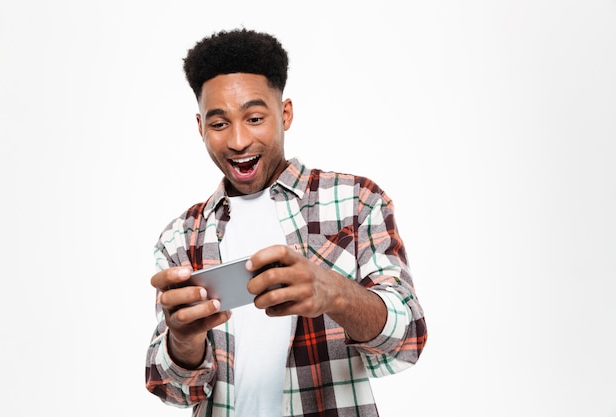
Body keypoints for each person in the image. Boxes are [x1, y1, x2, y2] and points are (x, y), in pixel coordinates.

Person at [145, 28, 427, 417]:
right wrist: (183, 339)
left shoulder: (356, 201)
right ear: (200, 128)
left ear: (285, 114)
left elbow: (408, 340)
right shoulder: (180, 237)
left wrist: (337, 294)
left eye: (255, 117)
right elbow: (174, 391)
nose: (239, 140)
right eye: (219, 124)